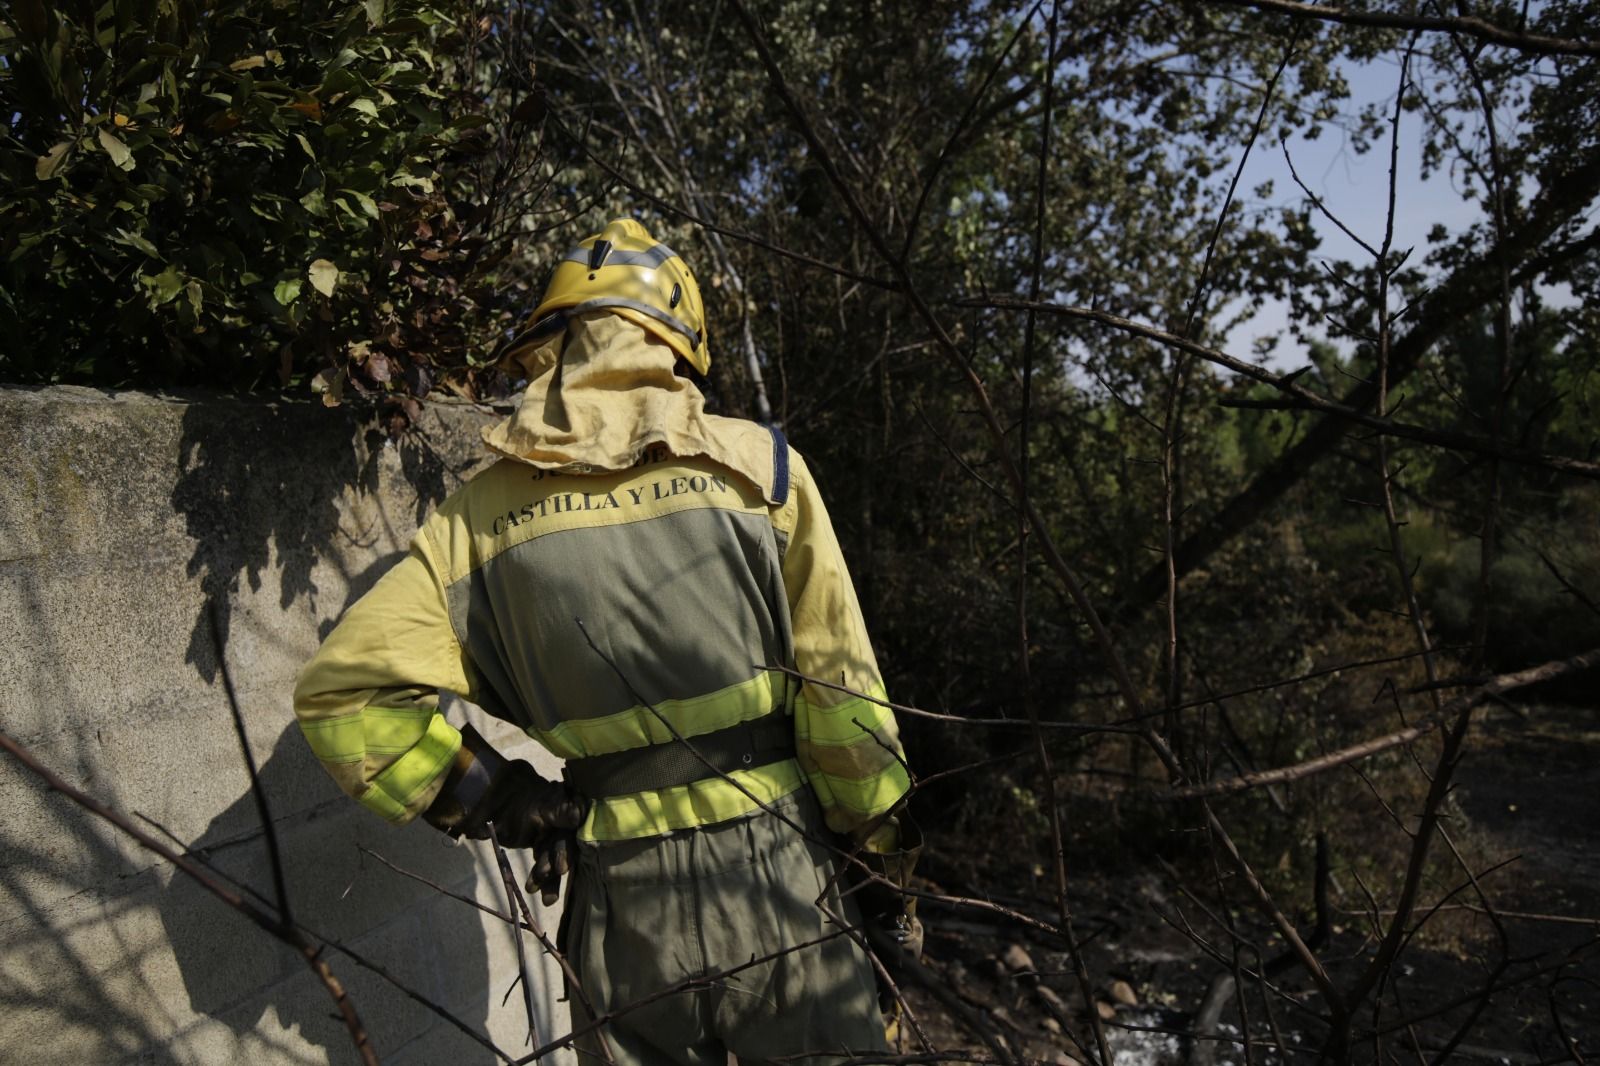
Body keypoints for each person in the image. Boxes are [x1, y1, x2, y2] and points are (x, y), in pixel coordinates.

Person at [293, 218, 919, 1064]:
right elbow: (847, 710)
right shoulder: (763, 472)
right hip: (786, 884)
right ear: (678, 340)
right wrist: (883, 888)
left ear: (550, 340)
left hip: (621, 910)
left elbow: (344, 698)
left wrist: (497, 797)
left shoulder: (475, 519)